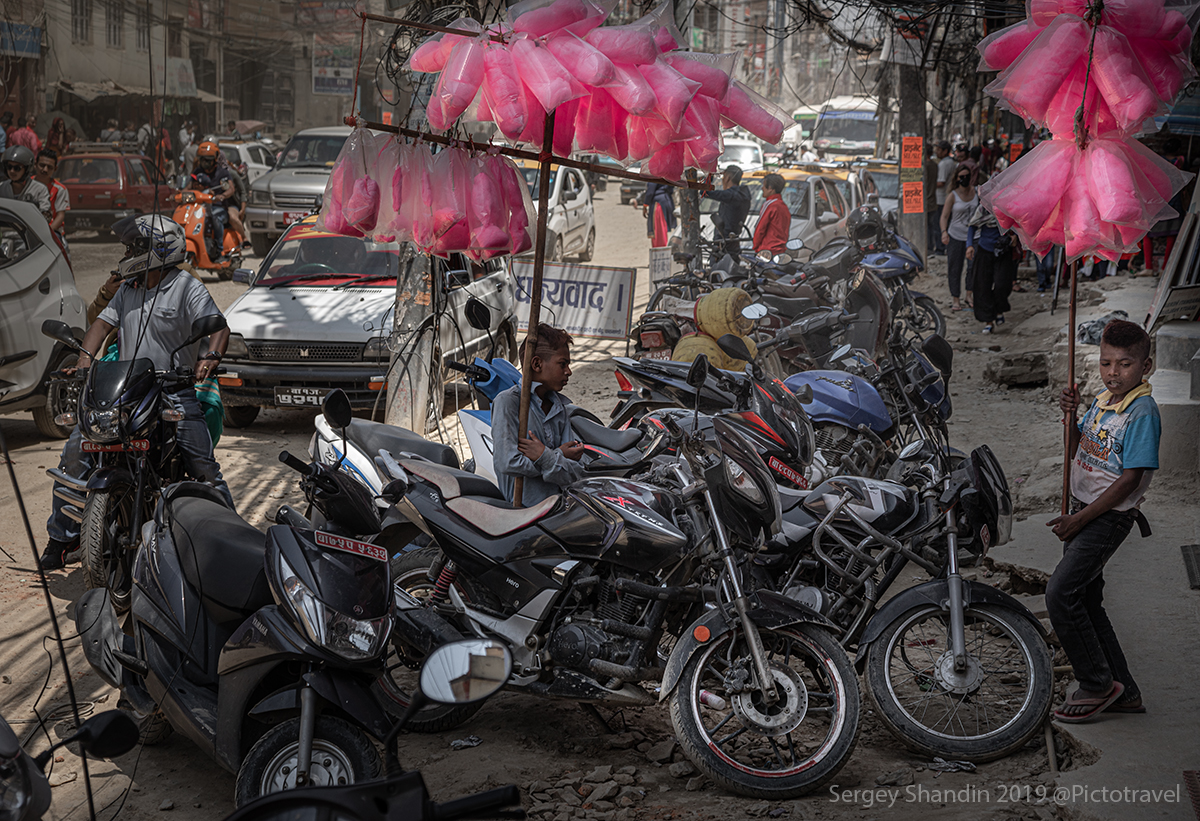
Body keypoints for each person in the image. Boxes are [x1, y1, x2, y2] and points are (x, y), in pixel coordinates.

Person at [40, 214, 233, 568]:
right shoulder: (128, 289)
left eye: (134, 247)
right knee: (76, 451)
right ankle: (62, 538)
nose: (127, 253)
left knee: (203, 467)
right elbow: (100, 326)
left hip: (172, 388)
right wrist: (84, 362)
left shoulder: (186, 287)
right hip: (126, 391)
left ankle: (233, 540)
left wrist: (211, 358)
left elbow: (219, 327)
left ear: (158, 250)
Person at [1046, 319, 1159, 722]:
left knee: (1060, 595)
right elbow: (1078, 449)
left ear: (1145, 367)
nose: (1114, 372)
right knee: (1086, 601)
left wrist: (1080, 521)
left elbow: (1130, 478)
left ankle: (1096, 684)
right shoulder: (1102, 401)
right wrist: (1071, 415)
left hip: (1107, 518)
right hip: (1084, 510)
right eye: (1106, 363)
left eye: (1125, 364)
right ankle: (1125, 691)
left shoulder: (1141, 412)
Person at [491, 323, 584, 506]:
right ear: (537, 364)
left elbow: (575, 470)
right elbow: (508, 463)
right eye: (562, 364)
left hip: (558, 506)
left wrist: (544, 455)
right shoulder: (508, 402)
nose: (569, 371)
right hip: (524, 510)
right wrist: (554, 456)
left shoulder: (559, 407)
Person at [965, 203, 1016, 333]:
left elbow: (1019, 225)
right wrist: (969, 245)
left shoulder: (1009, 207)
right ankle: (988, 321)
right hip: (984, 250)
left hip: (1003, 251)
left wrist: (1015, 237)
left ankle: (999, 310)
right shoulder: (983, 209)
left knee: (1002, 284)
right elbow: (972, 226)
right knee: (982, 286)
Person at [940, 164, 978, 313]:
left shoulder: (977, 192)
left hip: (975, 236)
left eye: (967, 176)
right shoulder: (953, 196)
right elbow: (944, 216)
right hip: (956, 235)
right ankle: (955, 298)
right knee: (955, 268)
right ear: (957, 179)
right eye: (962, 177)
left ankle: (969, 295)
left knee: (973, 267)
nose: (965, 179)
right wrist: (944, 232)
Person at [190, 140, 235, 260]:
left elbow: (231, 188)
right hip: (200, 208)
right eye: (202, 160)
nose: (205, 163)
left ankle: (219, 251)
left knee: (216, 218)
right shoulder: (197, 172)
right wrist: (177, 193)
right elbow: (188, 186)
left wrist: (223, 195)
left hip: (218, 207)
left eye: (208, 160)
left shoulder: (222, 172)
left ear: (215, 160)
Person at [703, 165, 751, 260]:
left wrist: (710, 175)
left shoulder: (730, 195)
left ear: (728, 178)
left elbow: (704, 192)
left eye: (723, 177)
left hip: (724, 241)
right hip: (733, 240)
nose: (722, 181)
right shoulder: (743, 194)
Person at [34, 149, 70, 261]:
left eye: (49, 167)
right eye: (42, 165)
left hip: (51, 231)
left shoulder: (60, 189)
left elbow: (60, 215)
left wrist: (47, 232)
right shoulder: (26, 185)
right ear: (35, 165)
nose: (45, 169)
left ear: (55, 169)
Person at [0, 145, 52, 219]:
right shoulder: (1, 187)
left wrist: (44, 214)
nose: (12, 171)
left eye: (17, 168)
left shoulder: (39, 189)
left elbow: (45, 213)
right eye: (9, 167)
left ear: (27, 169)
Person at [752, 173, 791, 255]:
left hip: (767, 250)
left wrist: (755, 246)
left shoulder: (770, 204)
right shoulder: (783, 206)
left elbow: (760, 228)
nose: (762, 188)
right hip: (780, 250)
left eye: (764, 186)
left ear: (770, 188)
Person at [933, 140, 955, 254]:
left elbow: (941, 182)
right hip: (943, 197)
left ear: (945, 151)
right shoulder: (948, 162)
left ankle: (940, 248)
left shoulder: (945, 164)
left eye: (939, 150)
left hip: (941, 198)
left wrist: (929, 184)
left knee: (939, 225)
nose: (937, 152)